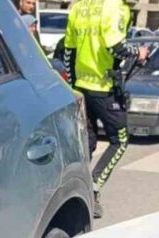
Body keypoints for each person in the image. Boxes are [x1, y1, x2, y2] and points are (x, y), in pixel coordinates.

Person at [62, 0, 148, 218]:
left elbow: (68, 52)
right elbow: (116, 48)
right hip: (105, 88)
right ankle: (93, 188)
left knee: (87, 143)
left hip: (82, 87)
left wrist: (73, 87)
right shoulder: (115, 6)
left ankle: (74, 192)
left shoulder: (79, 7)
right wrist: (139, 52)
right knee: (119, 141)